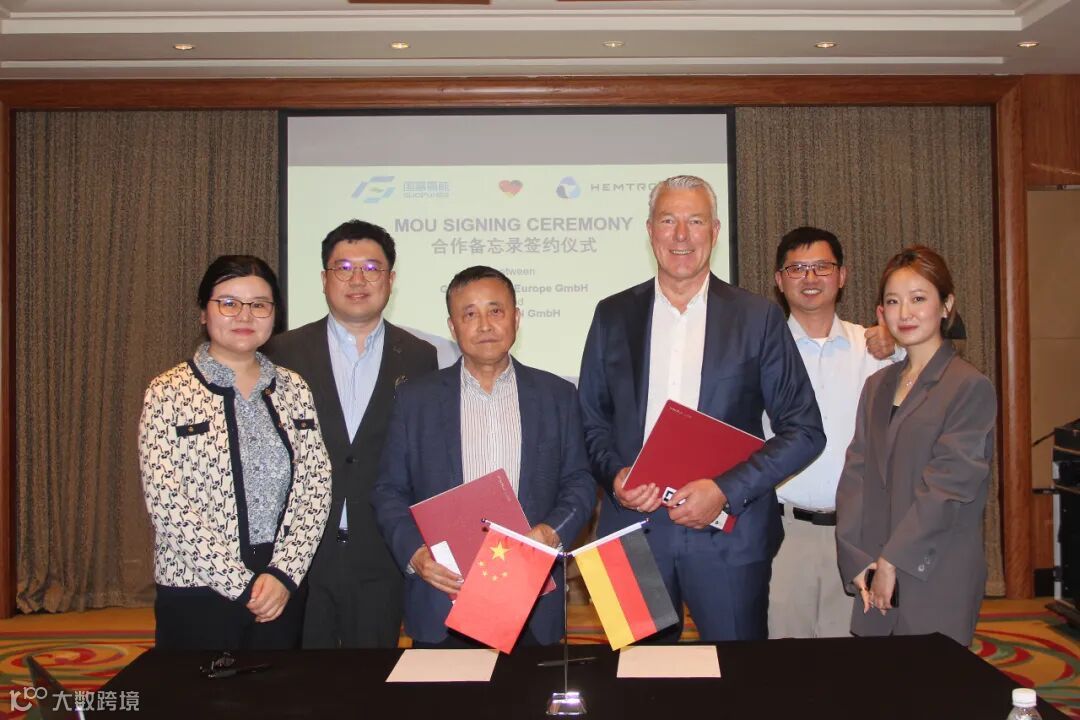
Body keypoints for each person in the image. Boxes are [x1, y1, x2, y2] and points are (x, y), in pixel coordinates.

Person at [577, 176, 825, 642]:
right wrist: (614, 476)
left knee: (736, 678)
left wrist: (725, 490)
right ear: (650, 231)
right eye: (668, 221)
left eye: (694, 221)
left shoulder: (757, 317)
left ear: (714, 230)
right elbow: (590, 420)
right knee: (636, 674)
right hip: (630, 530)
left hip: (730, 534)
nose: (681, 235)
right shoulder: (612, 315)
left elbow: (805, 431)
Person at [372, 266, 596, 648]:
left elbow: (580, 482)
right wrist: (416, 555)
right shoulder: (415, 401)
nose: (485, 325)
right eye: (470, 314)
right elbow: (388, 490)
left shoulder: (557, 396)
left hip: (531, 597)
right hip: (444, 597)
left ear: (516, 318)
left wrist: (550, 533)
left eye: (496, 310)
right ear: (452, 326)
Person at [139, 255, 331, 650]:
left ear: (274, 315)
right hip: (197, 584)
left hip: (281, 586)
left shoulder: (294, 388)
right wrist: (239, 584)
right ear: (203, 312)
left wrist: (284, 574)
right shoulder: (169, 391)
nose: (245, 315)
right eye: (228, 303)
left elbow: (316, 485)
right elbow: (166, 502)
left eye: (259, 304)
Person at [264, 220, 438, 649]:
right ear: (324, 280)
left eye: (372, 268)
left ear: (391, 280)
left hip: (380, 551)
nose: (358, 279)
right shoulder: (282, 353)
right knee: (301, 675)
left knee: (370, 677)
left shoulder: (420, 357)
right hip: (299, 553)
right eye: (343, 268)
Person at [835, 245, 996, 646]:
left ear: (946, 305)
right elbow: (856, 474)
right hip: (874, 570)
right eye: (893, 301)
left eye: (918, 298)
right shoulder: (878, 386)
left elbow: (948, 487)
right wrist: (857, 559)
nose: (904, 312)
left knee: (933, 681)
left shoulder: (968, 386)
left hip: (934, 568)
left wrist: (893, 560)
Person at [766, 226, 898, 639]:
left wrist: (898, 339)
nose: (810, 278)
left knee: (849, 664)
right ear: (779, 280)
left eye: (822, 267)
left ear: (842, 275)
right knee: (781, 662)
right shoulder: (761, 350)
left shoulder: (875, 348)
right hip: (783, 533)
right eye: (797, 268)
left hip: (859, 535)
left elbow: (939, 351)